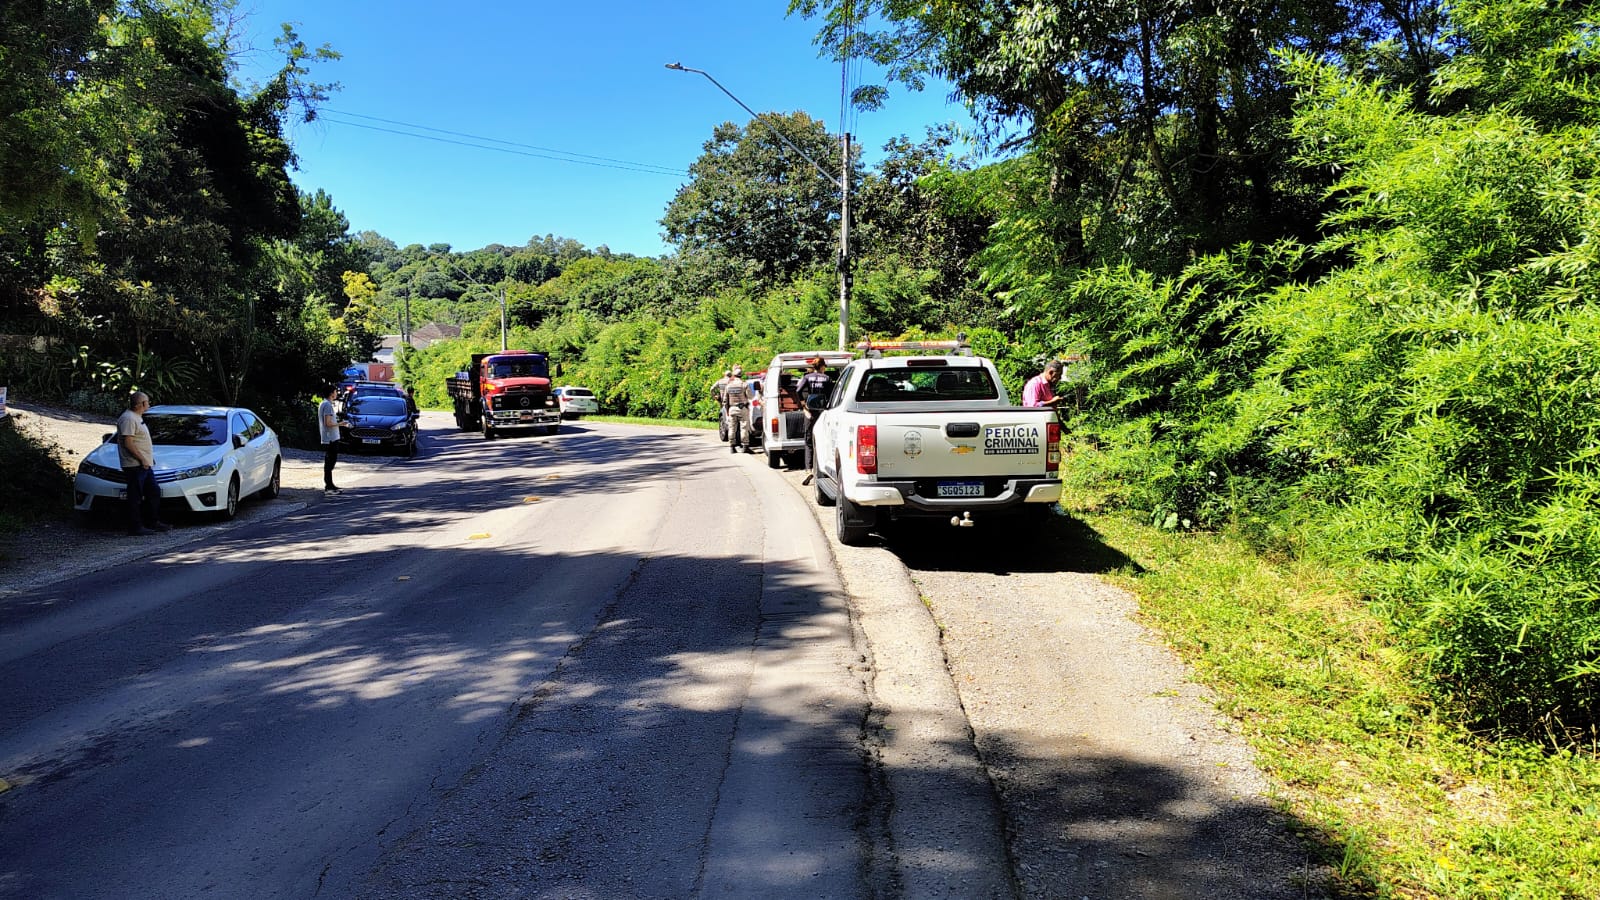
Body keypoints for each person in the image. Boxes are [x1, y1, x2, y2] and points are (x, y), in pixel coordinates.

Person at [117, 391, 169, 535]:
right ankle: (135, 526)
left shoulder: (136, 417)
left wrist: (148, 458)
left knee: (153, 491)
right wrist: (142, 459)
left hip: (144, 464)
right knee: (135, 496)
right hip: (135, 465)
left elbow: (139, 441)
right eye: (147, 402)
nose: (149, 404)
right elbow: (128, 443)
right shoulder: (128, 418)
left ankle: (152, 521)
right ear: (141, 404)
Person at [721, 364, 754, 454]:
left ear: (734, 375)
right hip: (742, 408)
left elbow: (725, 400)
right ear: (741, 375)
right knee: (744, 427)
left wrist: (727, 410)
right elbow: (751, 396)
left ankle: (732, 447)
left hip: (732, 409)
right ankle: (745, 446)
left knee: (732, 428)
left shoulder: (728, 385)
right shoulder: (744, 384)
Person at [319, 383, 344, 493]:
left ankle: (330, 484)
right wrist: (341, 424)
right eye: (335, 391)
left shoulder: (324, 403)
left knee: (330, 461)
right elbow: (328, 423)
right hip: (331, 437)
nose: (336, 393)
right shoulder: (327, 405)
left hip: (329, 437)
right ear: (331, 393)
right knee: (330, 462)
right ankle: (329, 485)